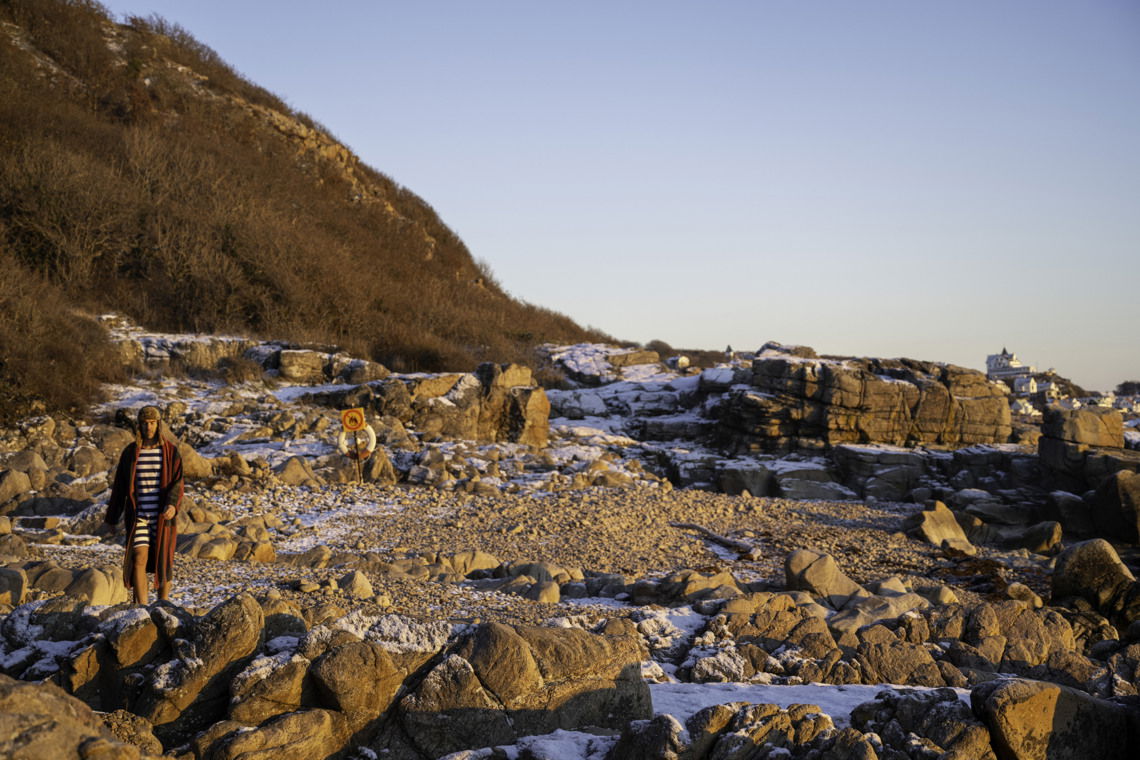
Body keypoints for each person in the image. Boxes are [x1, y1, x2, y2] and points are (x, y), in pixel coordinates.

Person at [104, 405, 184, 604]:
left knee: (163, 561)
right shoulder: (131, 453)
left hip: (162, 516)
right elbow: (120, 488)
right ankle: (143, 608)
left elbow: (178, 482)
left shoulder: (170, 452)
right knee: (138, 558)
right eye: (145, 423)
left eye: (152, 423)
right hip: (138, 515)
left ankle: (163, 605)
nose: (149, 427)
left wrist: (172, 505)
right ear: (139, 426)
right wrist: (112, 518)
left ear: (159, 425)